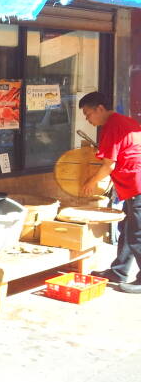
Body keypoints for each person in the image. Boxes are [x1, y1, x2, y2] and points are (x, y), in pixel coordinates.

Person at [80, 92, 141, 294]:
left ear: (100, 108)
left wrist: (91, 182)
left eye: (88, 114)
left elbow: (109, 165)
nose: (88, 119)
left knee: (137, 234)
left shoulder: (113, 126)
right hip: (131, 185)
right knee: (127, 229)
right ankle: (119, 272)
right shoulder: (125, 121)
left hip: (137, 185)